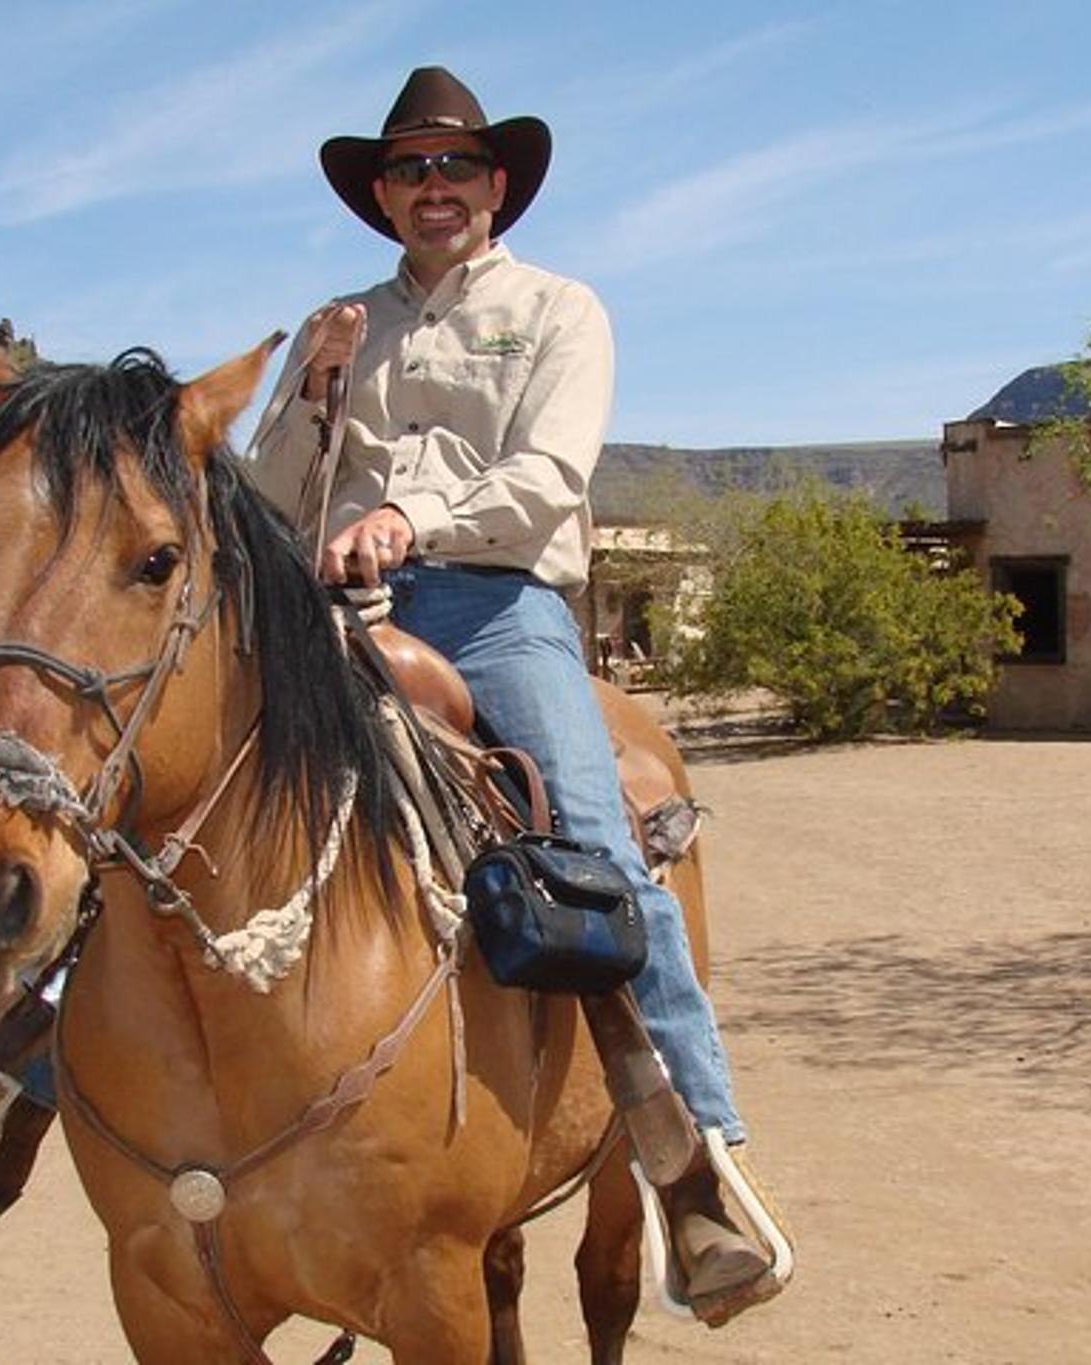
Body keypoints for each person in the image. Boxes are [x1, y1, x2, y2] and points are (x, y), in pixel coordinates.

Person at [245, 66, 785, 1327]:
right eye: (407, 171)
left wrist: (405, 514)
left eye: (454, 168)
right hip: (334, 611)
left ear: (495, 187)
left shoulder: (557, 308)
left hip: (494, 608)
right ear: (378, 197)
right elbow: (273, 494)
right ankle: (11, 1080)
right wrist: (309, 391)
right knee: (175, 797)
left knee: (594, 847)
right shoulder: (340, 324)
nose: (432, 189)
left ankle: (696, 1160)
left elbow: (547, 473)